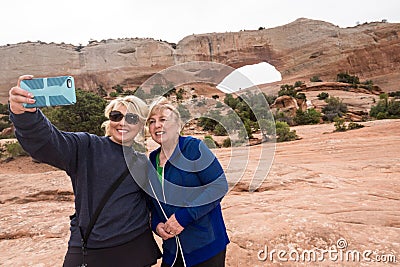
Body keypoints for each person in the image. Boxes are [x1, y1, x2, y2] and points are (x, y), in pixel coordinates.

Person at [8, 75, 161, 267]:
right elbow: (48, 142)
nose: (122, 123)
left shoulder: (143, 162)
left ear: (140, 126)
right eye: (116, 116)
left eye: (131, 118)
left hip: (134, 248)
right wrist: (25, 115)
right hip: (90, 248)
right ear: (109, 119)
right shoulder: (87, 146)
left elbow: (156, 202)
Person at [145, 97, 229, 267]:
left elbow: (219, 186)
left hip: (205, 247)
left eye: (163, 120)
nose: (157, 125)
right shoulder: (152, 159)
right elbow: (152, 203)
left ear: (177, 126)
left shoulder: (193, 148)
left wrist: (184, 217)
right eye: (152, 122)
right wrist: (156, 225)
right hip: (172, 249)